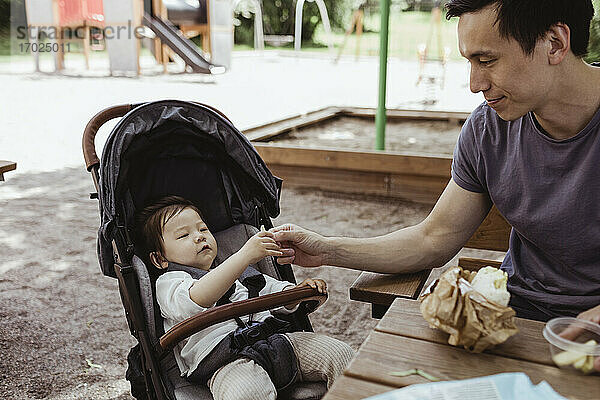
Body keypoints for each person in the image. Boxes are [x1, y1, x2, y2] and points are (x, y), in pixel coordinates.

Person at [271, 0, 600, 370]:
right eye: (470, 62)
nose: (475, 84)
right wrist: (326, 250)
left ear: (554, 43)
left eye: (487, 61)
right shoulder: (487, 131)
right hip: (513, 321)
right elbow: (433, 238)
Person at [136, 196, 354, 400]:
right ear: (159, 258)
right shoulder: (170, 282)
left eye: (203, 228)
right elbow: (196, 300)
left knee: (343, 355)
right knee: (247, 393)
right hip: (225, 362)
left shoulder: (242, 271)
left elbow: (275, 292)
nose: (199, 236)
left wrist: (298, 293)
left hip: (278, 342)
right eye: (184, 235)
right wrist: (243, 256)